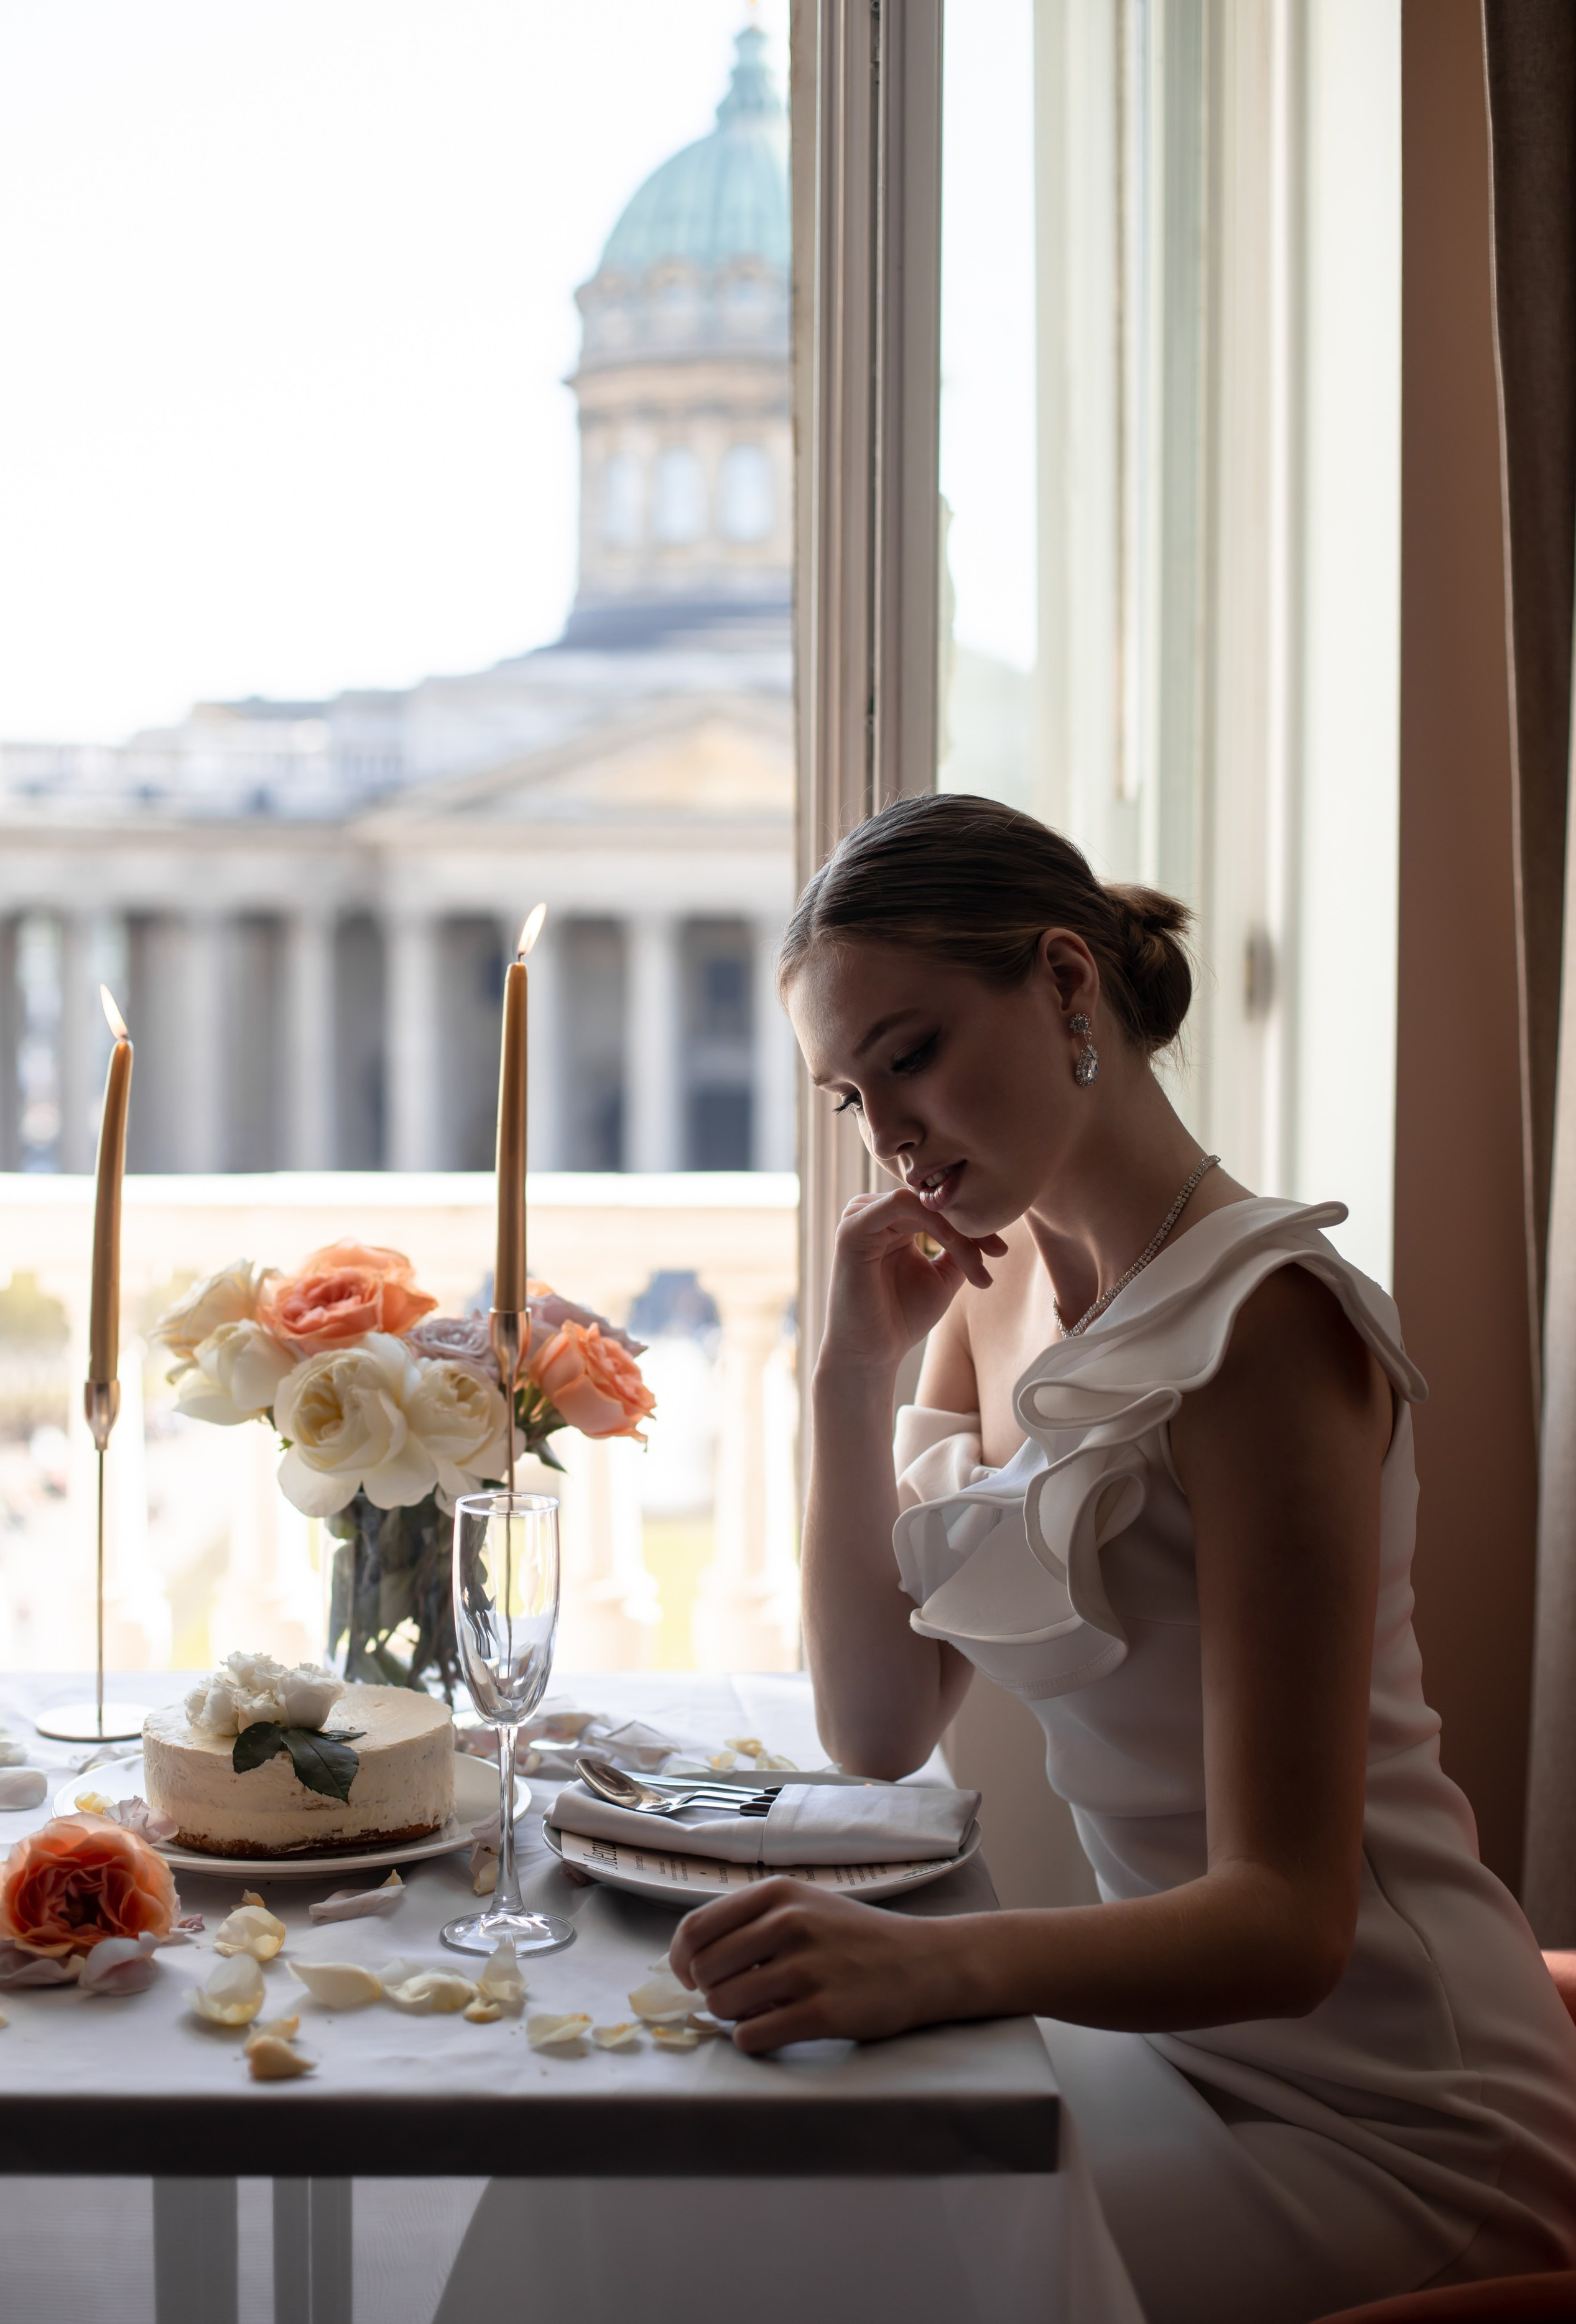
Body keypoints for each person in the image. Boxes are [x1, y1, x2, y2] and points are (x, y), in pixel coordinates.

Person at [667, 792, 1576, 2324]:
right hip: (1166, 2055)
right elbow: (879, 1725)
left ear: (1066, 982)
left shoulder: (1263, 1327)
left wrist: (925, 1969)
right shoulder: (985, 1275)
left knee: (801, 2259)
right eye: (848, 1096)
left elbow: (1287, 1923)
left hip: (1388, 2114)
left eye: (913, 1054)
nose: (890, 1137)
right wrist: (845, 1376)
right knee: (698, 2173)